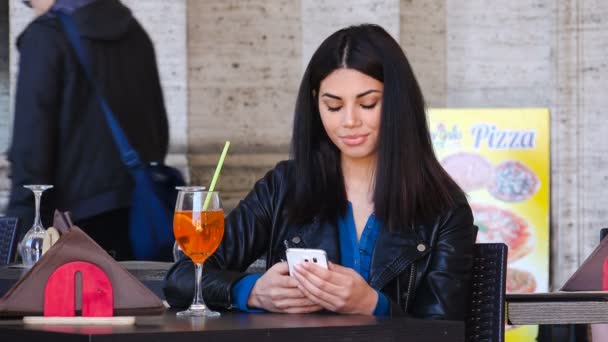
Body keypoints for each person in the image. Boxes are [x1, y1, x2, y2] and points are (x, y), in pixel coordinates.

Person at [164, 24, 475, 319]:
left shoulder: (444, 208)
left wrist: (373, 305)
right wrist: (252, 291)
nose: (349, 121)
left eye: (368, 104)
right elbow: (182, 277)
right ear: (316, 105)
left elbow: (444, 328)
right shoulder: (284, 186)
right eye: (334, 106)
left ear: (397, 104)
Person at [6, 0, 169, 260]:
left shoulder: (46, 36)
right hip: (140, 218)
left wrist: (19, 230)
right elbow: (158, 131)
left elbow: (31, 146)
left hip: (70, 226)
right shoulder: (134, 31)